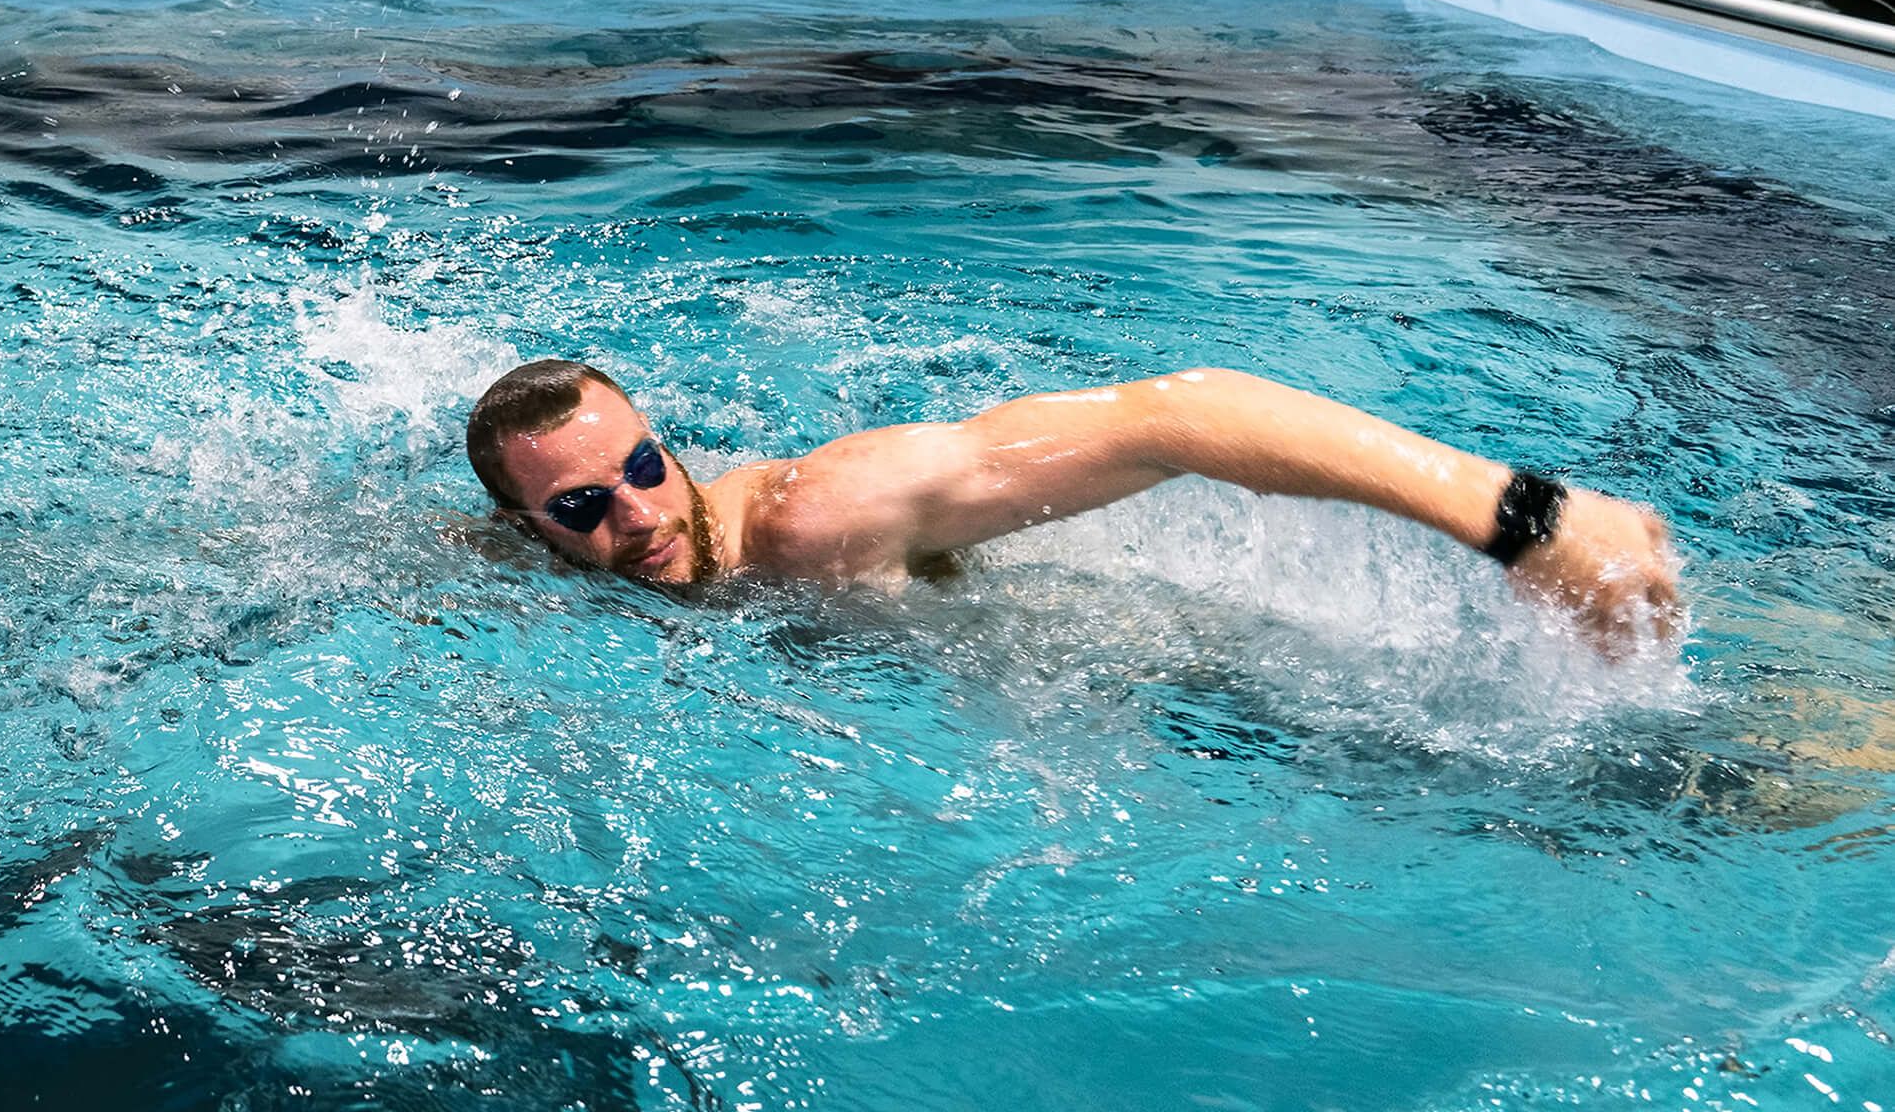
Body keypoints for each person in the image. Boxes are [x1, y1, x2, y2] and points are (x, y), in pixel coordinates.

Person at [462, 359, 1684, 653]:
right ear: (533, 533)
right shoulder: (522, 569)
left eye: (642, 468)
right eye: (581, 506)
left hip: (1158, 659)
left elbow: (1174, 411)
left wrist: (1525, 516)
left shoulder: (821, 513)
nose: (635, 516)